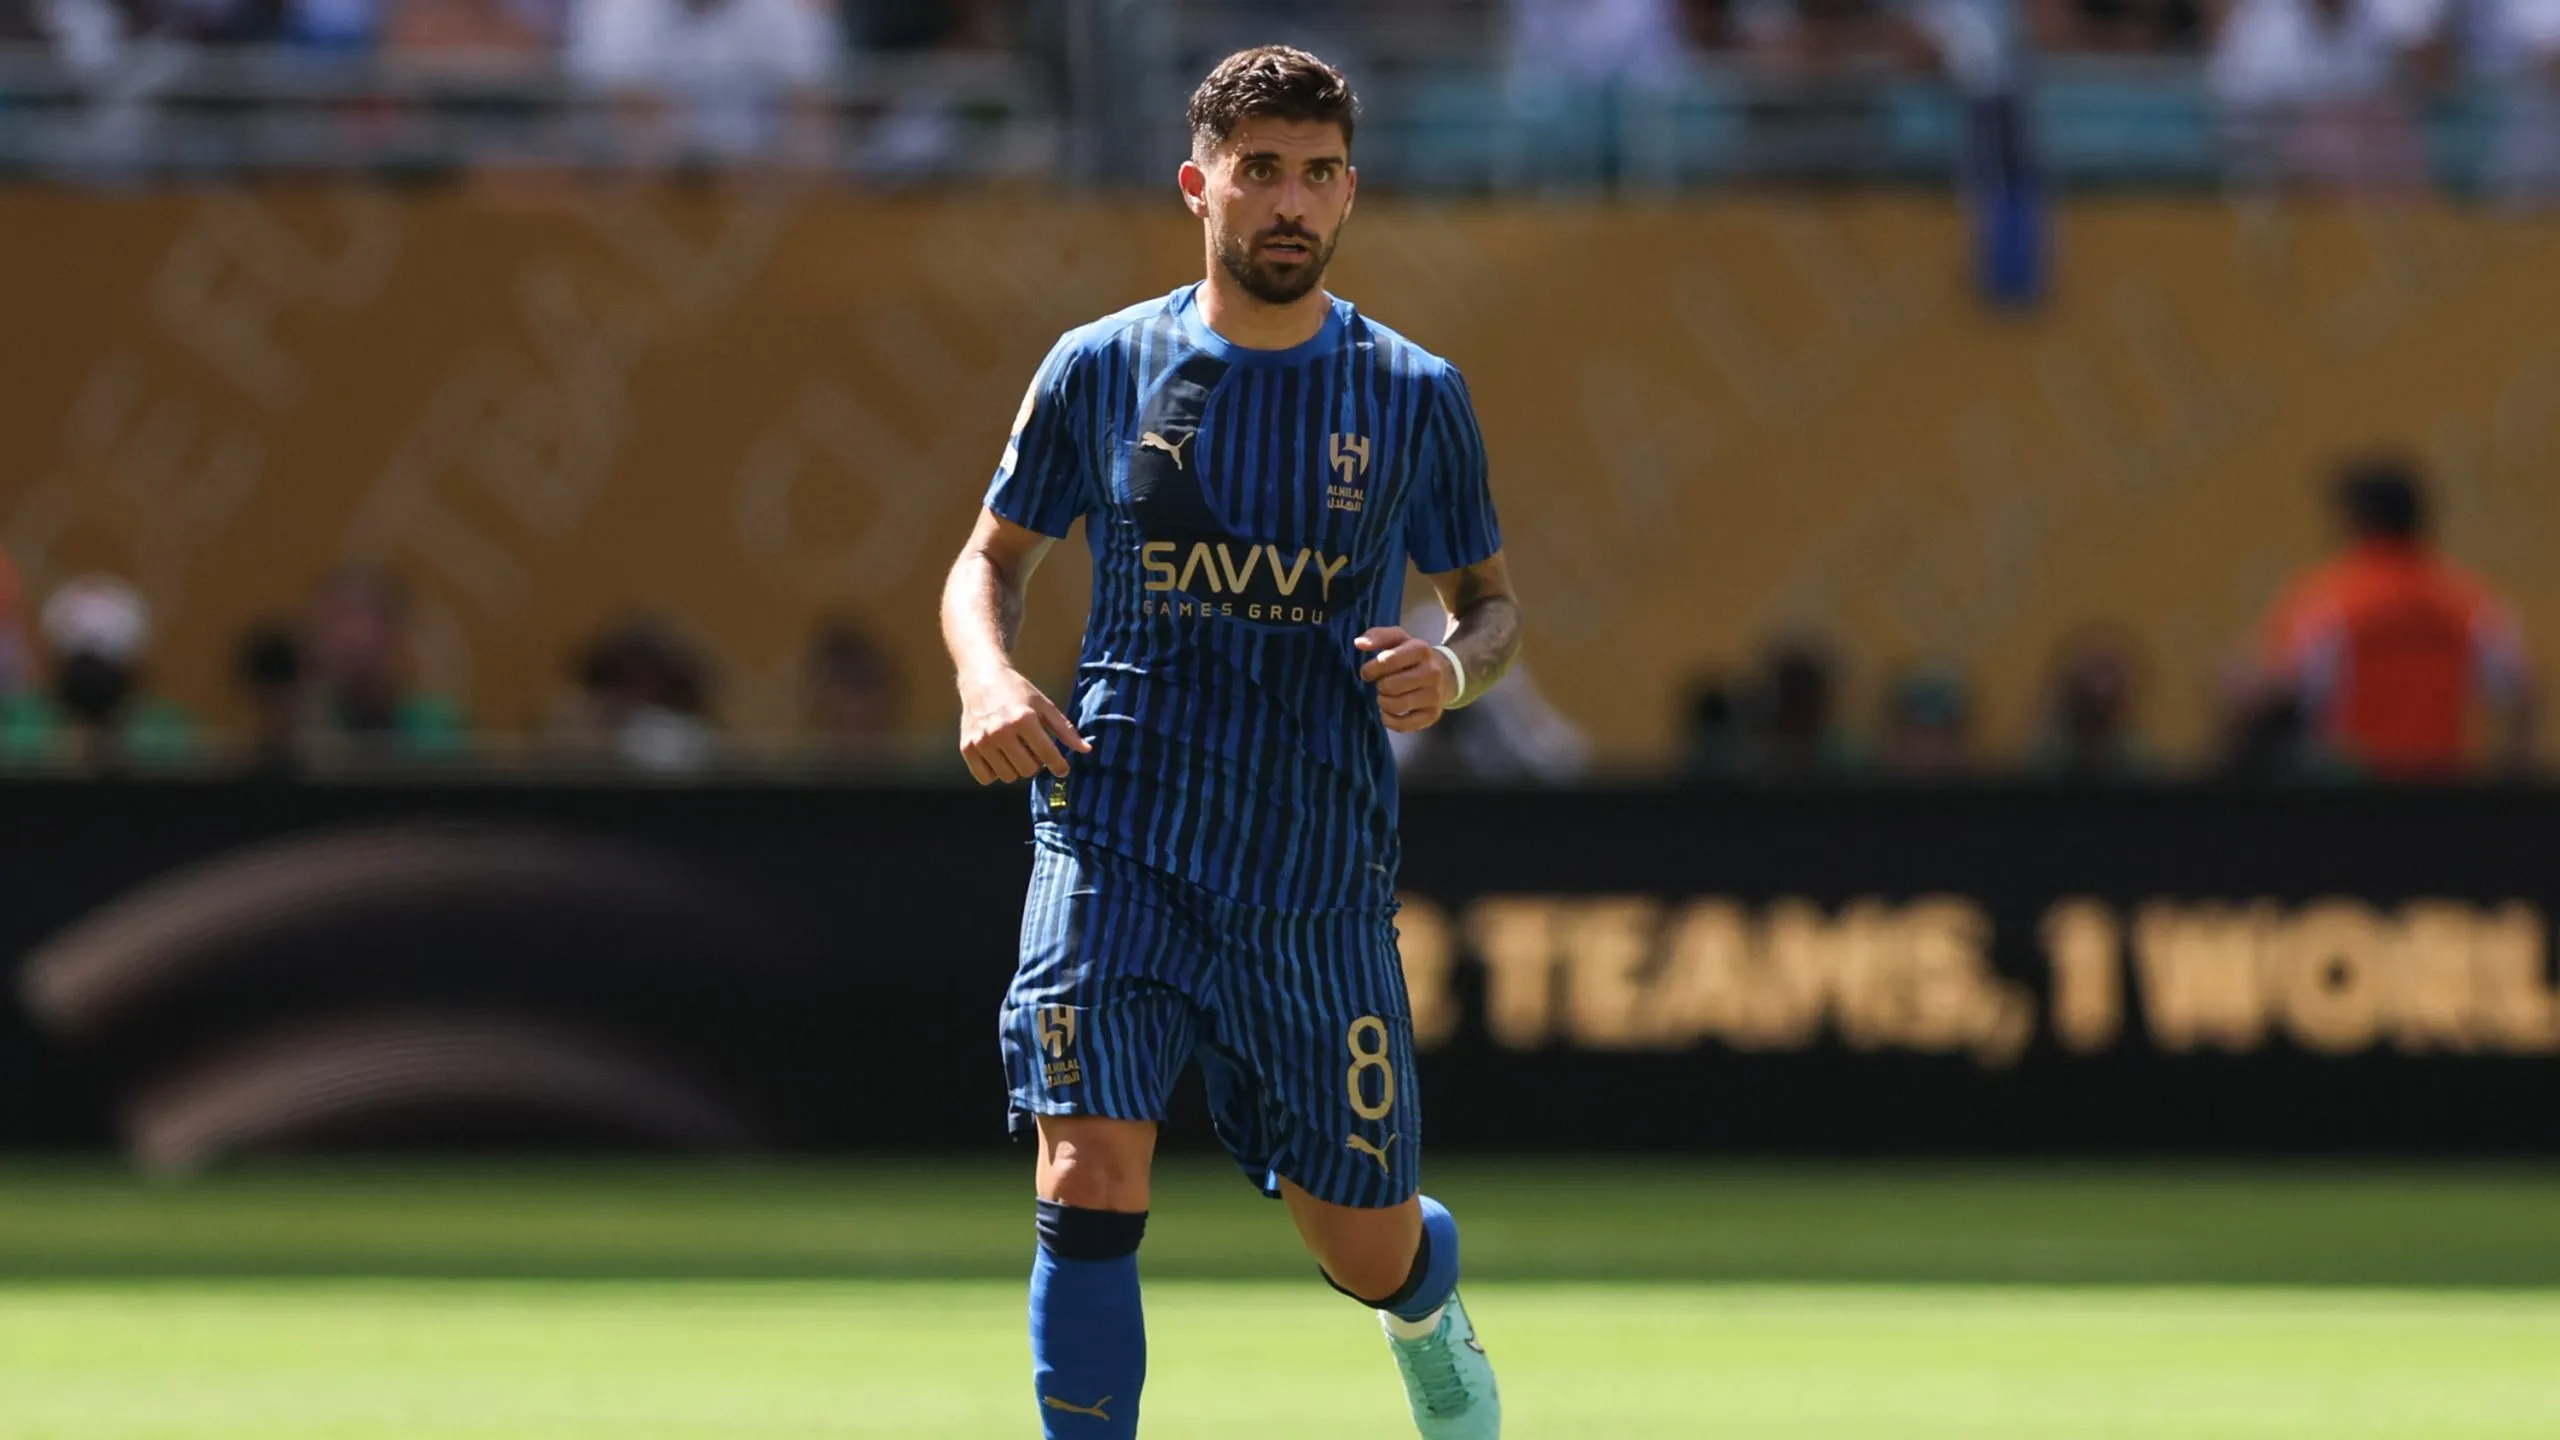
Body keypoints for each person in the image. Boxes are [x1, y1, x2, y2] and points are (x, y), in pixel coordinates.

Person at [936, 47, 1519, 1440]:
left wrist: (1451, 670)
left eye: (1318, 174)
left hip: (1313, 863)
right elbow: (986, 561)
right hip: (1115, 826)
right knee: (1085, 1172)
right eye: (1260, 171)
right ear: (1199, 183)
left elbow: (1489, 608)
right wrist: (985, 678)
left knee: (1360, 1245)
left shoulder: (1412, 392)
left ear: (1351, 195)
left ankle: (1424, 1301)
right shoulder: (1101, 365)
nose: (1290, 203)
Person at [2256, 455, 2534, 777]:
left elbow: (2277, 691)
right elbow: (2521, 692)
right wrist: (2509, 783)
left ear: (2356, 520)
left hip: (2350, 796)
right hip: (2444, 794)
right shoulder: (2466, 603)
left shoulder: (2330, 601)